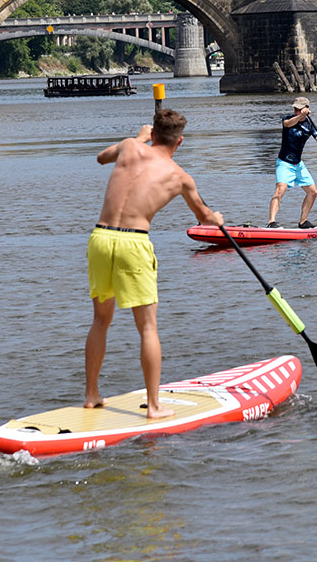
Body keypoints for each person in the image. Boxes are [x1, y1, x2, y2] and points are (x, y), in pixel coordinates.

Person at [84, 109, 223, 419]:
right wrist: (217, 219)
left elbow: (101, 157)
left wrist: (137, 138)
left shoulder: (129, 146)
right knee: (147, 326)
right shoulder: (180, 177)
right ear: (180, 141)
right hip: (133, 242)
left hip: (101, 238)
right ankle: (155, 406)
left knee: (100, 321)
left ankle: (92, 394)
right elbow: (203, 217)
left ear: (153, 134)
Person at [267, 96, 317, 229]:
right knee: (280, 189)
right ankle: (271, 222)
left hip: (298, 165)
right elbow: (287, 124)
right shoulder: (287, 119)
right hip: (284, 163)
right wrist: (299, 117)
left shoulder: (310, 125)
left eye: (299, 109)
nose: (295, 111)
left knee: (313, 192)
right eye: (295, 108)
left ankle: (303, 222)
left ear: (306, 109)